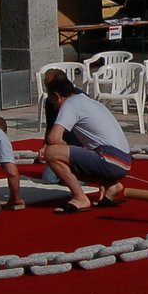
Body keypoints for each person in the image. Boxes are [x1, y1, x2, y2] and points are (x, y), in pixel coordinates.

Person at [42, 73, 132, 214]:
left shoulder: (70, 104)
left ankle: (80, 197)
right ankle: (110, 185)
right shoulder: (85, 100)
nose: (53, 107)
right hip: (123, 160)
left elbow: (53, 139)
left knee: (51, 153)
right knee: (63, 159)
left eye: (53, 102)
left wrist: (60, 148)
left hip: (110, 159)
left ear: (56, 96)